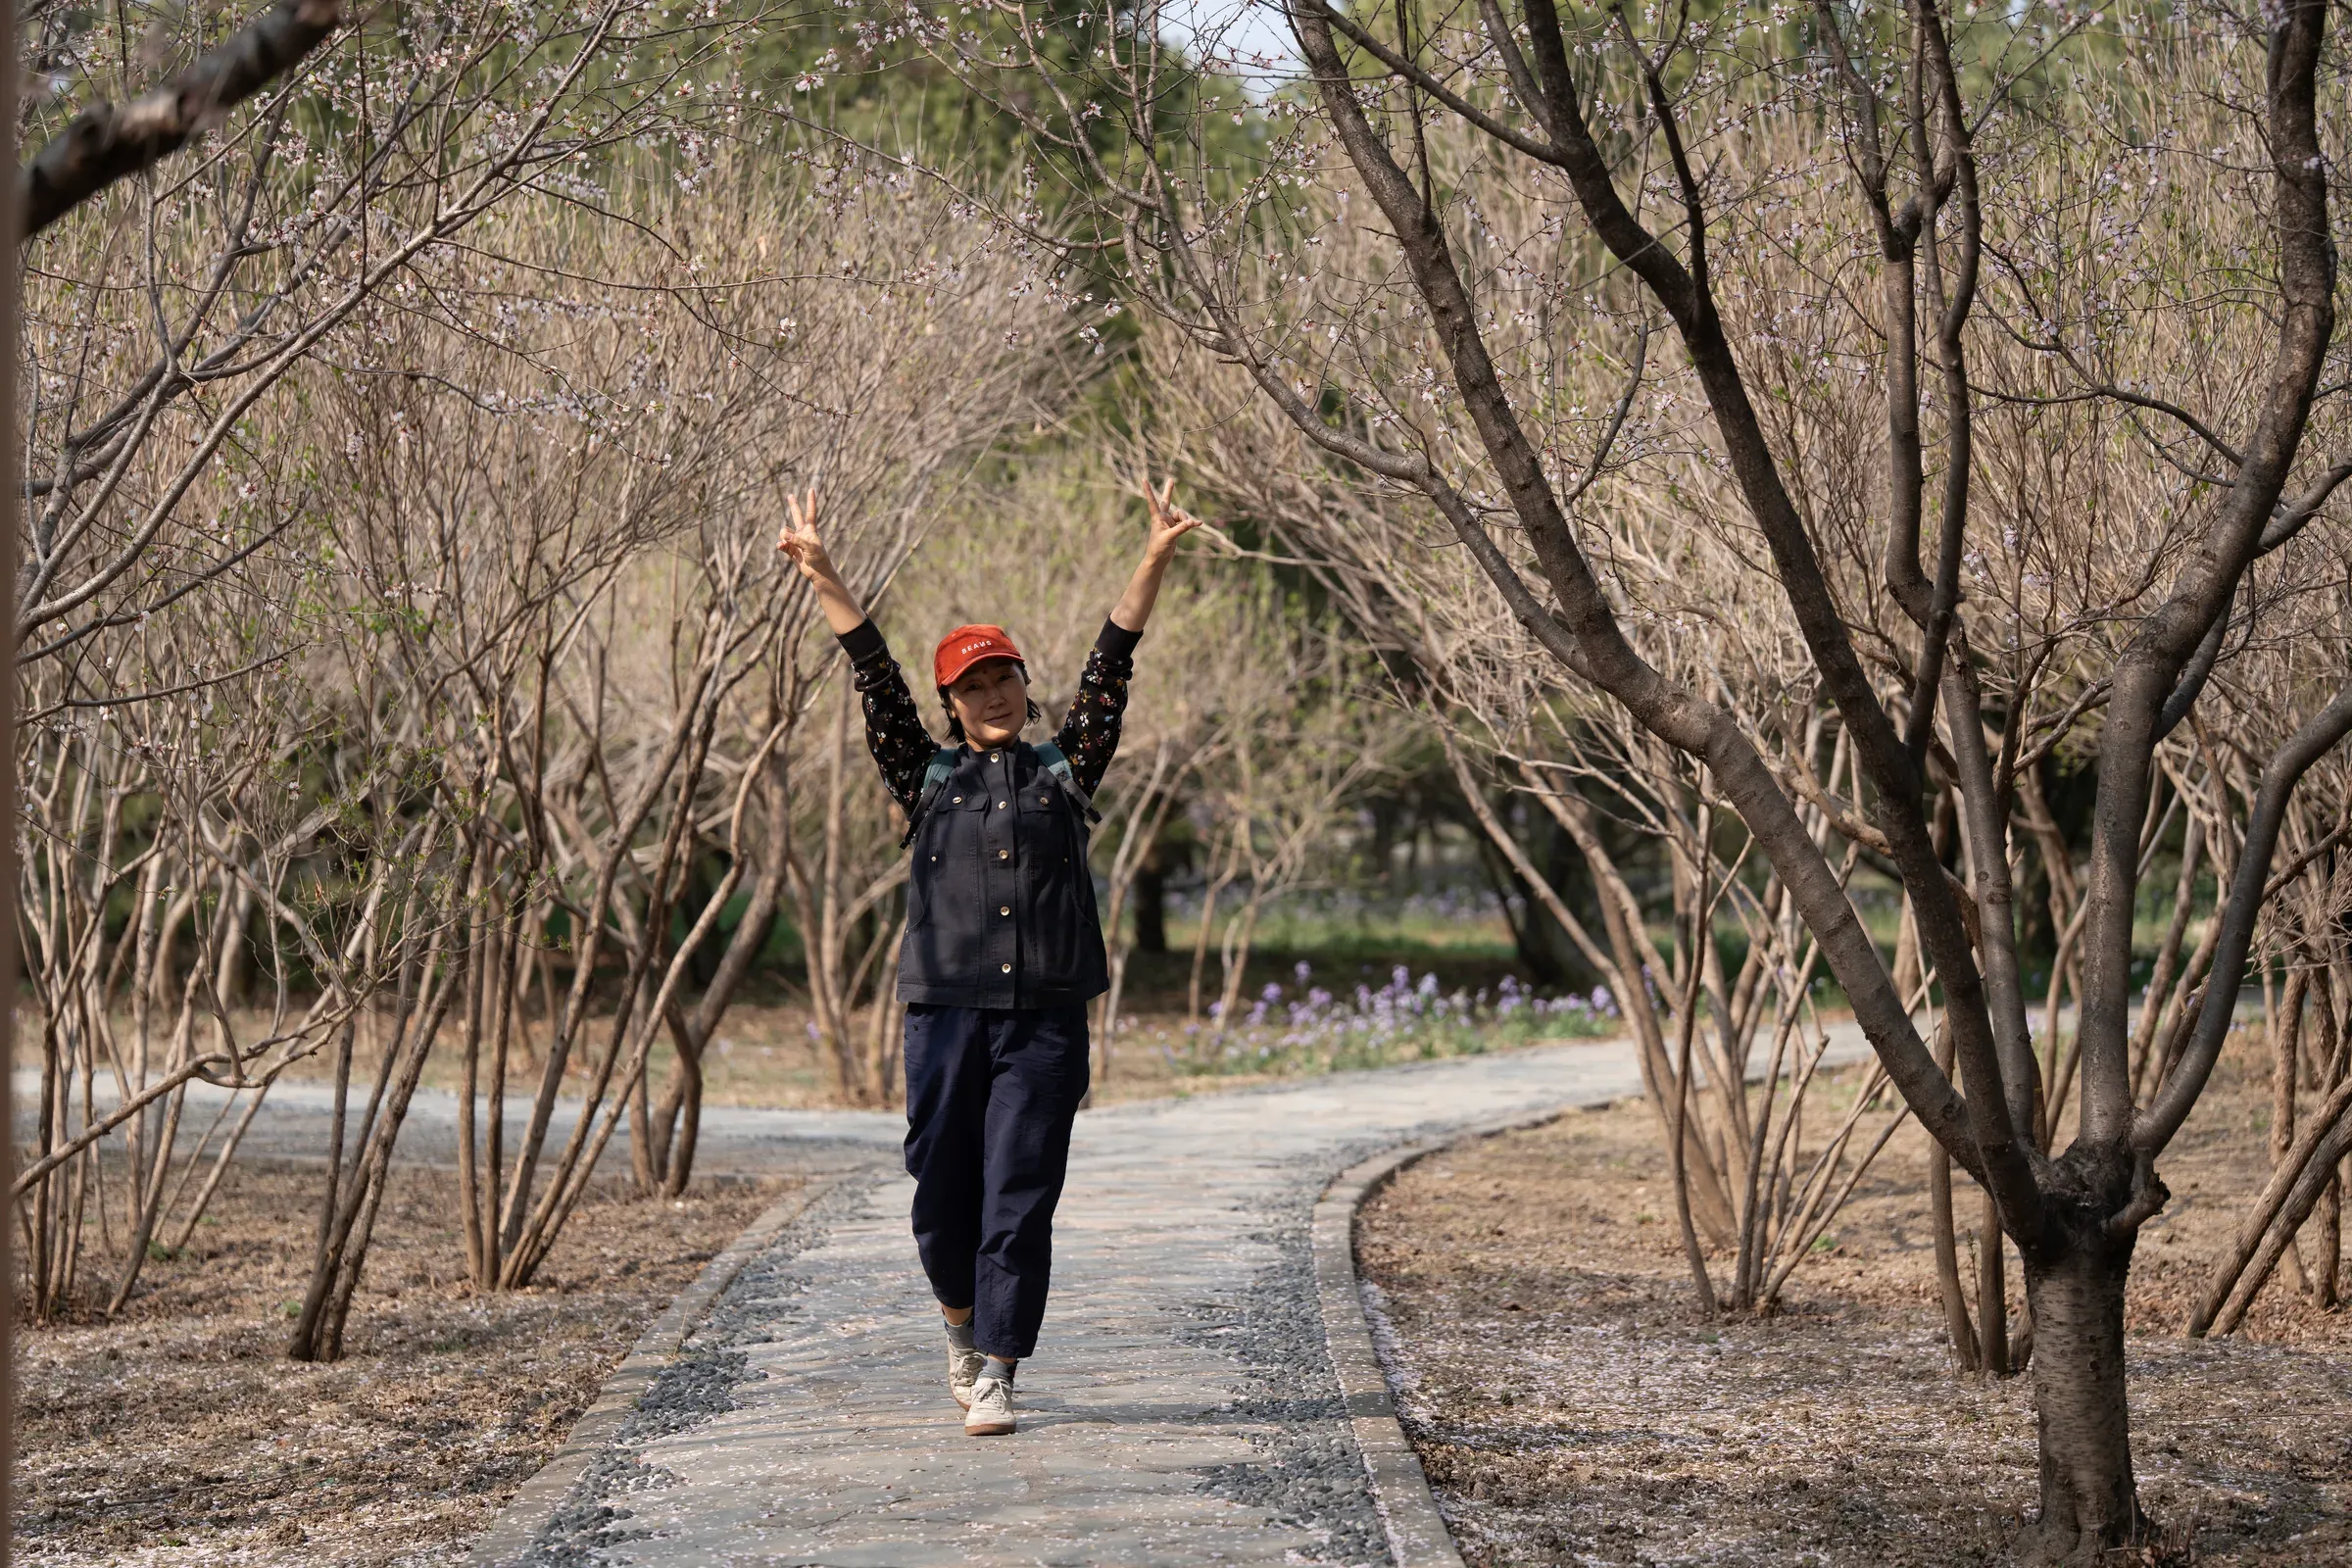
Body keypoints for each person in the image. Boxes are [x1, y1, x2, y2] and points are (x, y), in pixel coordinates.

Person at [775, 480, 1203, 1437]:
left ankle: (1000, 1368)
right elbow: (875, 677)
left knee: (1019, 1189)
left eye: (1003, 676)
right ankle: (961, 1328)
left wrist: (1153, 559)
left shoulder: (1064, 771)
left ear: (1022, 684)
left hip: (1045, 1019)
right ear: (952, 703)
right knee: (942, 1189)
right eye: (973, 684)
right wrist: (825, 574)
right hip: (944, 1012)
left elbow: (1110, 671)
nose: (993, 692)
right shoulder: (924, 775)